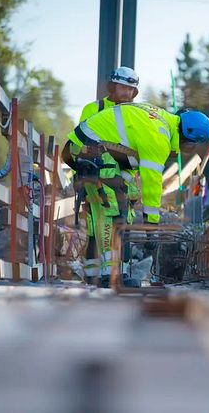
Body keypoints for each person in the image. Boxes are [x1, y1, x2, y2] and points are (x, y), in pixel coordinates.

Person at [62, 103, 209, 286]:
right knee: (114, 210)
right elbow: (152, 186)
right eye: (190, 146)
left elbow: (127, 160)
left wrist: (126, 189)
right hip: (91, 149)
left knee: (102, 210)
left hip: (84, 148)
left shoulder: (161, 121)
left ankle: (93, 272)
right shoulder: (159, 138)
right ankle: (112, 275)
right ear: (188, 140)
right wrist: (151, 226)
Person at [72, 66, 139, 281]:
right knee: (103, 224)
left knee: (116, 225)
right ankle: (105, 275)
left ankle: (104, 273)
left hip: (123, 180)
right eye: (123, 87)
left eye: (131, 90)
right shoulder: (94, 109)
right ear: (113, 86)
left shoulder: (134, 115)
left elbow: (137, 151)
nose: (127, 93)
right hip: (98, 178)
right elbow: (80, 141)